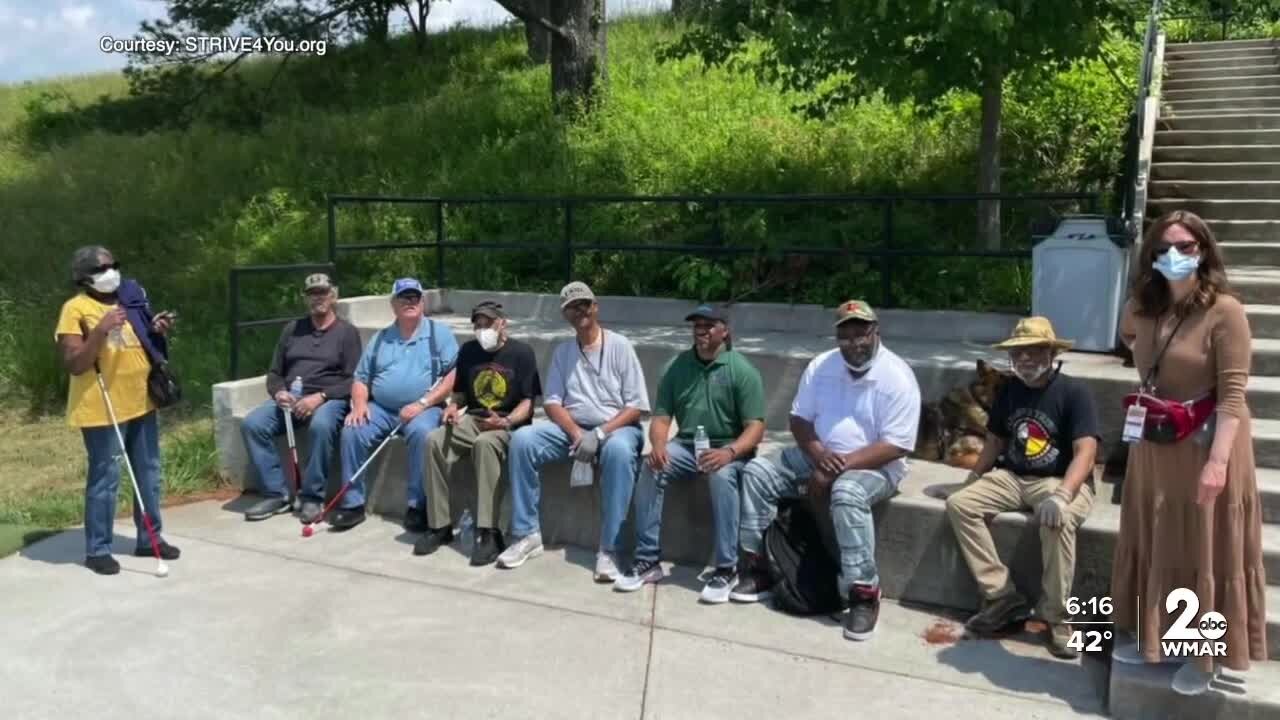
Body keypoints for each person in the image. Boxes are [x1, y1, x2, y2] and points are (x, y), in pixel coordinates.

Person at [1109, 210, 1268, 695]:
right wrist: (1137, 303)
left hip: (1206, 444)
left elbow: (1234, 395)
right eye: (1164, 248)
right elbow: (1129, 338)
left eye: (1186, 247)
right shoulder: (1148, 304)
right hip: (1157, 442)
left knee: (1204, 547)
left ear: (1204, 252)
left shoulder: (1225, 311)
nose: (1175, 256)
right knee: (1159, 540)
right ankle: (1155, 634)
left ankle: (1205, 656)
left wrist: (1219, 463)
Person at [733, 300, 920, 642]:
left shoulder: (897, 376)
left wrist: (836, 468)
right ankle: (758, 566)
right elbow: (799, 420)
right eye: (846, 335)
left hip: (876, 465)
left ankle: (863, 594)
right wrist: (819, 454)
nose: (854, 343)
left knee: (847, 492)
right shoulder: (821, 366)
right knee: (758, 471)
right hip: (820, 455)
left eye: (861, 333)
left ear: (875, 332)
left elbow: (898, 445)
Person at [943, 317, 1099, 658]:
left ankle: (1057, 616)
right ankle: (1002, 595)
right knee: (959, 504)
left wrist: (1062, 495)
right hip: (1013, 476)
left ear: (1051, 352)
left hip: (1059, 480)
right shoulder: (1010, 389)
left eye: (1033, 351)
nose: (1025, 359)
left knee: (1057, 520)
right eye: (1018, 352)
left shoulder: (1074, 392)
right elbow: (996, 439)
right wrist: (973, 480)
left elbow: (1086, 451)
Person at [614, 304, 766, 603]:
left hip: (729, 448)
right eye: (697, 325)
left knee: (721, 476)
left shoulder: (742, 370)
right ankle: (647, 560)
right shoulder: (676, 366)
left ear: (725, 330)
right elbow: (660, 418)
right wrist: (657, 445)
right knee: (651, 466)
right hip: (686, 445)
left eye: (709, 325)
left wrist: (729, 452)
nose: (701, 330)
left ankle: (726, 567)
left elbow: (756, 428)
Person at [499, 282, 650, 581]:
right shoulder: (563, 351)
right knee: (523, 440)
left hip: (617, 428)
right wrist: (577, 434)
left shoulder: (620, 346)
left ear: (595, 307)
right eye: (571, 307)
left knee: (619, 452)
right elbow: (553, 402)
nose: (579, 311)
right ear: (565, 314)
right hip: (574, 429)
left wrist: (601, 435)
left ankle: (610, 548)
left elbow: (636, 407)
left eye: (584, 304)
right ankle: (527, 534)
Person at [55, 246, 181, 575]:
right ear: (84, 277)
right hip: (101, 406)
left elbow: (140, 336)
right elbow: (75, 363)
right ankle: (98, 549)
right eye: (103, 268)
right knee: (106, 477)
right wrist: (100, 330)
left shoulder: (129, 298)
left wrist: (156, 329)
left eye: (115, 265)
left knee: (149, 472)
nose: (112, 272)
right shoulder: (76, 309)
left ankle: (149, 539)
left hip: (141, 400)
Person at [418, 301, 542, 565]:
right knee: (433, 441)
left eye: (488, 323)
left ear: (502, 323)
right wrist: (452, 407)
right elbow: (461, 393)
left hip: (509, 424)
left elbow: (528, 402)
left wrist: (507, 420)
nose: (482, 329)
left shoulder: (522, 353)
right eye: (478, 324)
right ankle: (439, 525)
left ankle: (488, 532)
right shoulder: (469, 351)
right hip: (474, 418)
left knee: (485, 444)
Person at [334, 278, 458, 530]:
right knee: (352, 431)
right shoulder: (381, 339)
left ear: (422, 303)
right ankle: (352, 504)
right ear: (394, 305)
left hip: (424, 407)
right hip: (381, 408)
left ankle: (416, 505)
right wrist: (359, 405)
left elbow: (453, 375)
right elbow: (360, 379)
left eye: (415, 298)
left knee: (423, 434)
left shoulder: (439, 334)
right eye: (404, 298)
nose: (410, 302)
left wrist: (423, 403)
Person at [239, 273, 362, 523]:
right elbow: (274, 373)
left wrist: (321, 397)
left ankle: (312, 498)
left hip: (329, 399)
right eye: (313, 293)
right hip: (291, 400)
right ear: (305, 298)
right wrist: (279, 392)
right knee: (252, 424)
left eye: (323, 292)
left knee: (321, 425)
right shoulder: (292, 330)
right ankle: (277, 494)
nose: (318, 298)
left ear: (333, 295)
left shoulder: (347, 333)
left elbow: (353, 380)